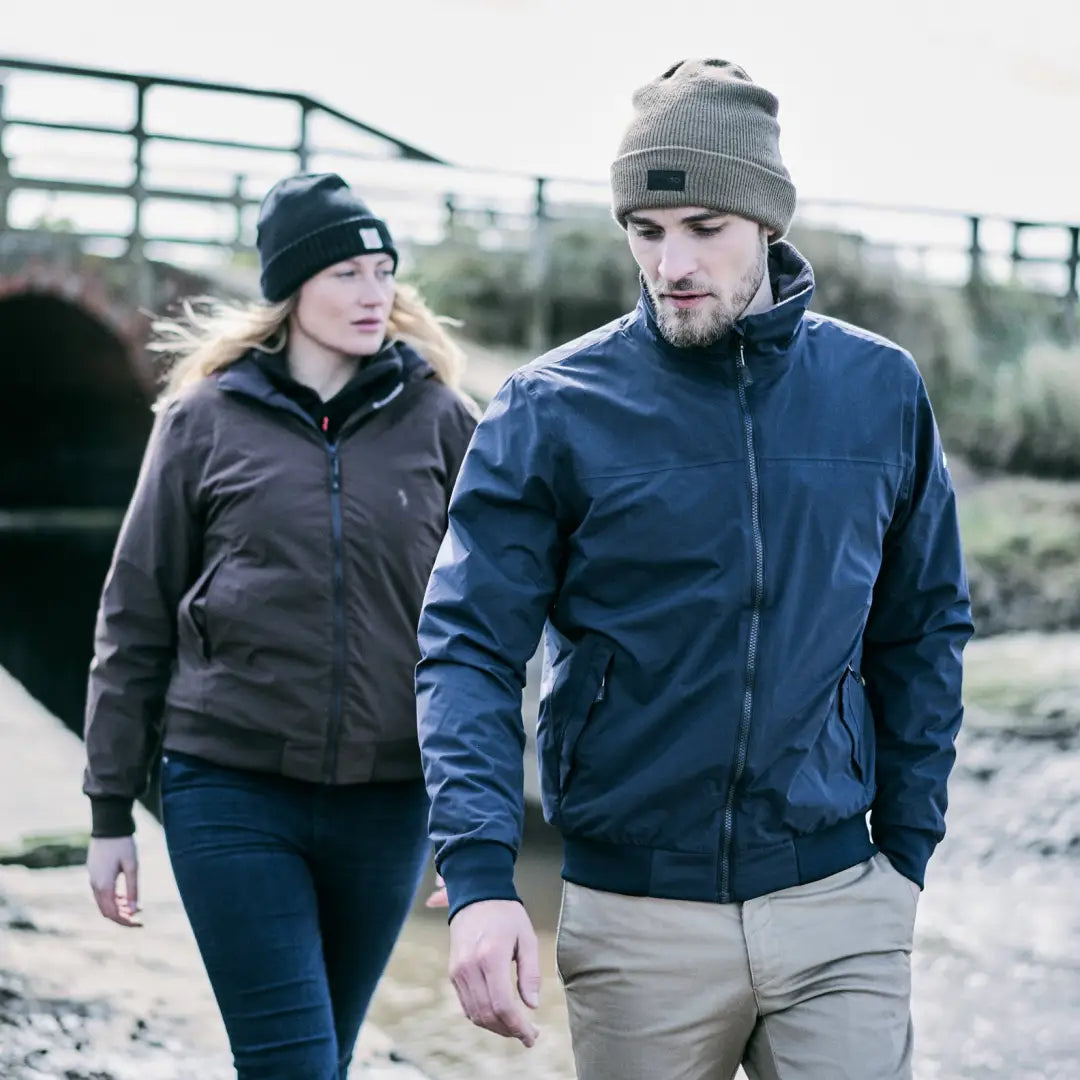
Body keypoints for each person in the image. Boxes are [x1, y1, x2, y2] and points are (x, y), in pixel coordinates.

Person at [416, 59, 972, 1080]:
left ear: (767, 220)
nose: (672, 261)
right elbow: (466, 648)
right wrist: (484, 875)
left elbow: (923, 626)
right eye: (646, 229)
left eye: (705, 228)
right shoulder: (551, 410)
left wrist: (907, 849)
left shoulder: (880, 389)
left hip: (840, 900)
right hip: (638, 919)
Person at [82, 172, 478, 1080]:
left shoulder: (445, 422)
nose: (373, 292)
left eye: (383, 270)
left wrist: (478, 821)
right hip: (231, 788)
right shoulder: (202, 422)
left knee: (319, 1059)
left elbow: (484, 630)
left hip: (389, 800)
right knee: (292, 1062)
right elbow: (134, 614)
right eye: (346, 272)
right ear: (292, 288)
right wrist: (110, 810)